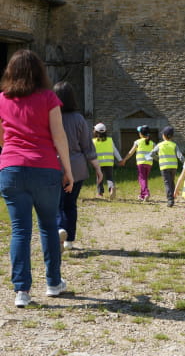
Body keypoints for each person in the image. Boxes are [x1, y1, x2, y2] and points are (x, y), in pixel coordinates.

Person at [0, 50, 73, 307]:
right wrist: (68, 169)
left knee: (19, 230)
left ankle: (21, 291)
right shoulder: (48, 97)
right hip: (44, 168)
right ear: (39, 71)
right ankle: (53, 283)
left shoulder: (2, 100)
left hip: (11, 170)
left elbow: (2, 138)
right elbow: (59, 136)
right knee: (48, 226)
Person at [53, 81, 103, 251]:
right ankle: (69, 240)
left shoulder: (50, 116)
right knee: (71, 204)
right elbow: (87, 147)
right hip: (77, 168)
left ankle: (59, 230)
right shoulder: (79, 119)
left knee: (56, 204)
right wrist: (97, 168)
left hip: (54, 166)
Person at [146, 126, 185, 207]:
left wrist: (158, 159)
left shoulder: (160, 145)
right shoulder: (174, 145)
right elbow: (180, 156)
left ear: (163, 135)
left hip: (164, 167)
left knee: (167, 183)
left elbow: (151, 154)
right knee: (172, 181)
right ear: (172, 136)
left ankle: (170, 200)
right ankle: (173, 197)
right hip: (173, 166)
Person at [119, 125, 155, 201]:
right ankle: (142, 196)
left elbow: (131, 152)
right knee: (144, 179)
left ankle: (146, 193)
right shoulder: (152, 143)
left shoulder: (138, 142)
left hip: (141, 163)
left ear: (141, 134)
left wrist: (124, 159)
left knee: (141, 179)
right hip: (149, 163)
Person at [93, 122, 122, 200]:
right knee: (109, 177)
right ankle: (111, 188)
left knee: (99, 177)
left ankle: (100, 193)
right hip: (109, 162)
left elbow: (91, 152)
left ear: (95, 131)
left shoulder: (94, 141)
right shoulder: (110, 140)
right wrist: (120, 159)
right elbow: (115, 150)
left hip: (98, 163)